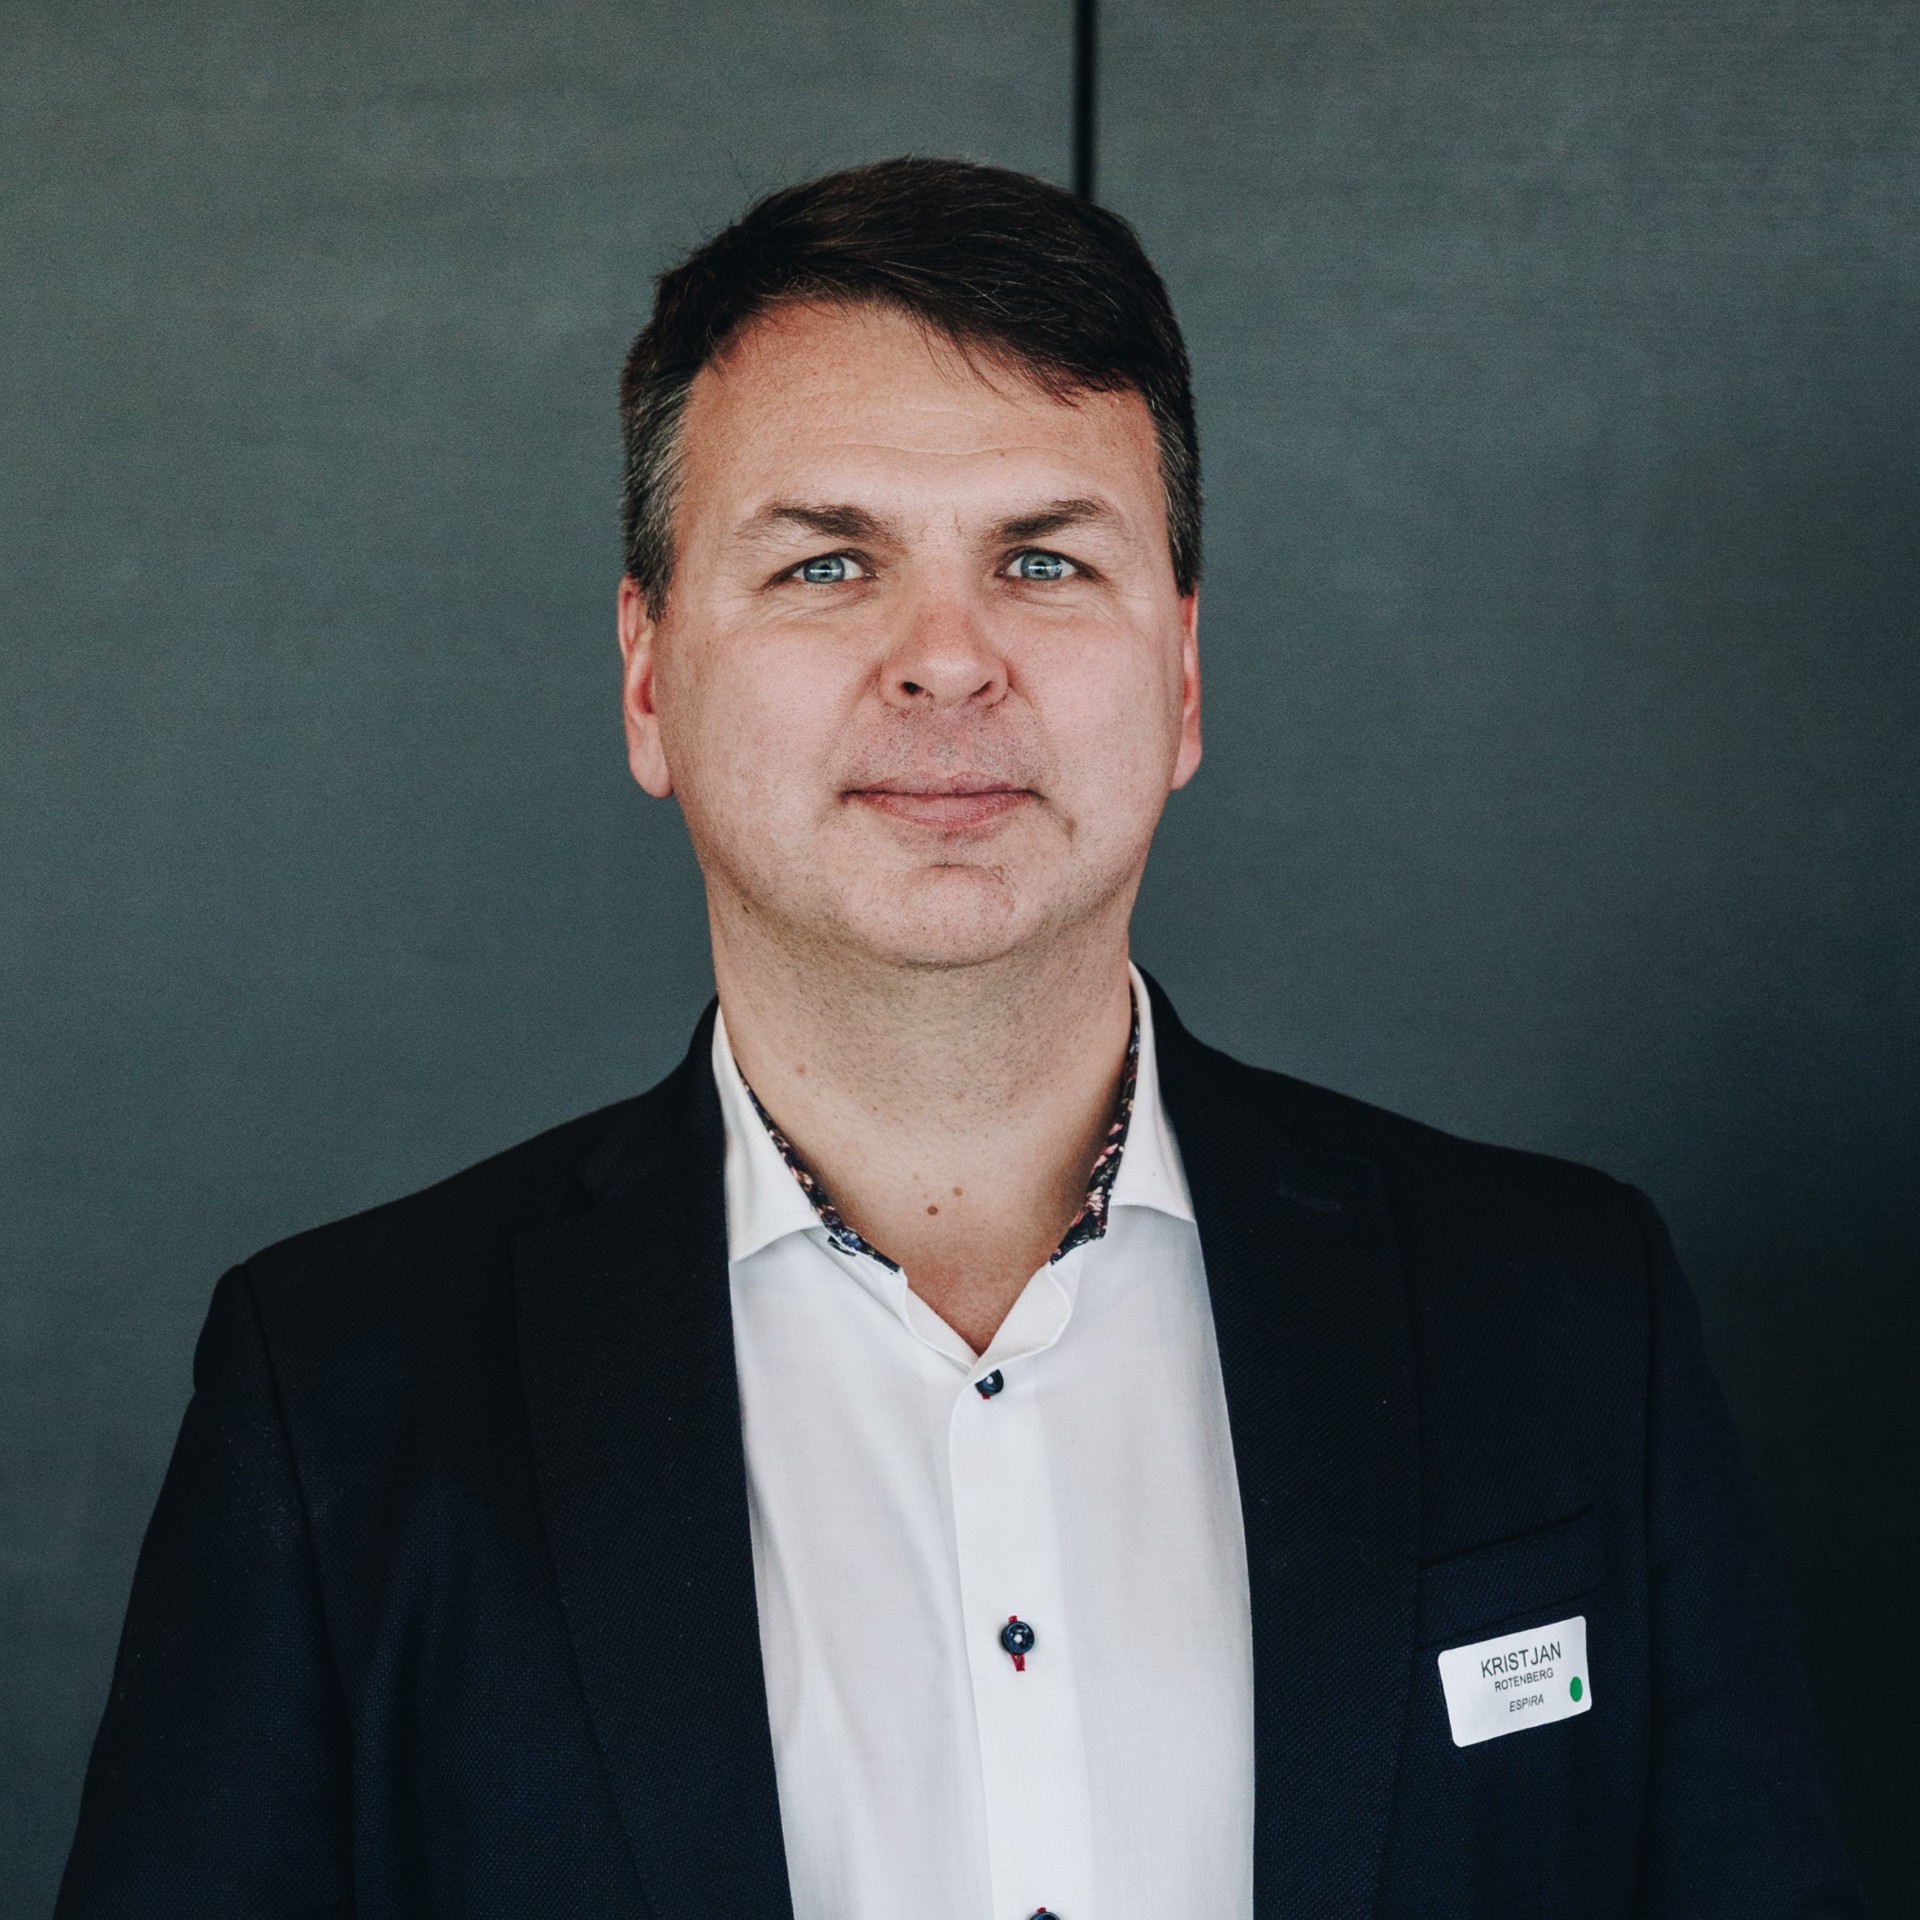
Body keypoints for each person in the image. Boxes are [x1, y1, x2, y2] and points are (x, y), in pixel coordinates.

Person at [58, 157, 1862, 1920]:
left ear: (1182, 679)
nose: (947, 659)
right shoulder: (340, 1396)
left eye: (1045, 561)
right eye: (829, 564)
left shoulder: (1564, 1314)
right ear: (648, 679)